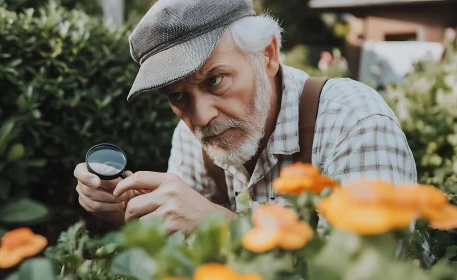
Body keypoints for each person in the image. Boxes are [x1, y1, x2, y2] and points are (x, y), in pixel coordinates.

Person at [74, 0, 417, 236]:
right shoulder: (190, 137)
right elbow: (182, 256)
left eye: (215, 80)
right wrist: (133, 215)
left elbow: (368, 268)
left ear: (267, 54)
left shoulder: (353, 123)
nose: (202, 117)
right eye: (177, 96)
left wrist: (220, 226)